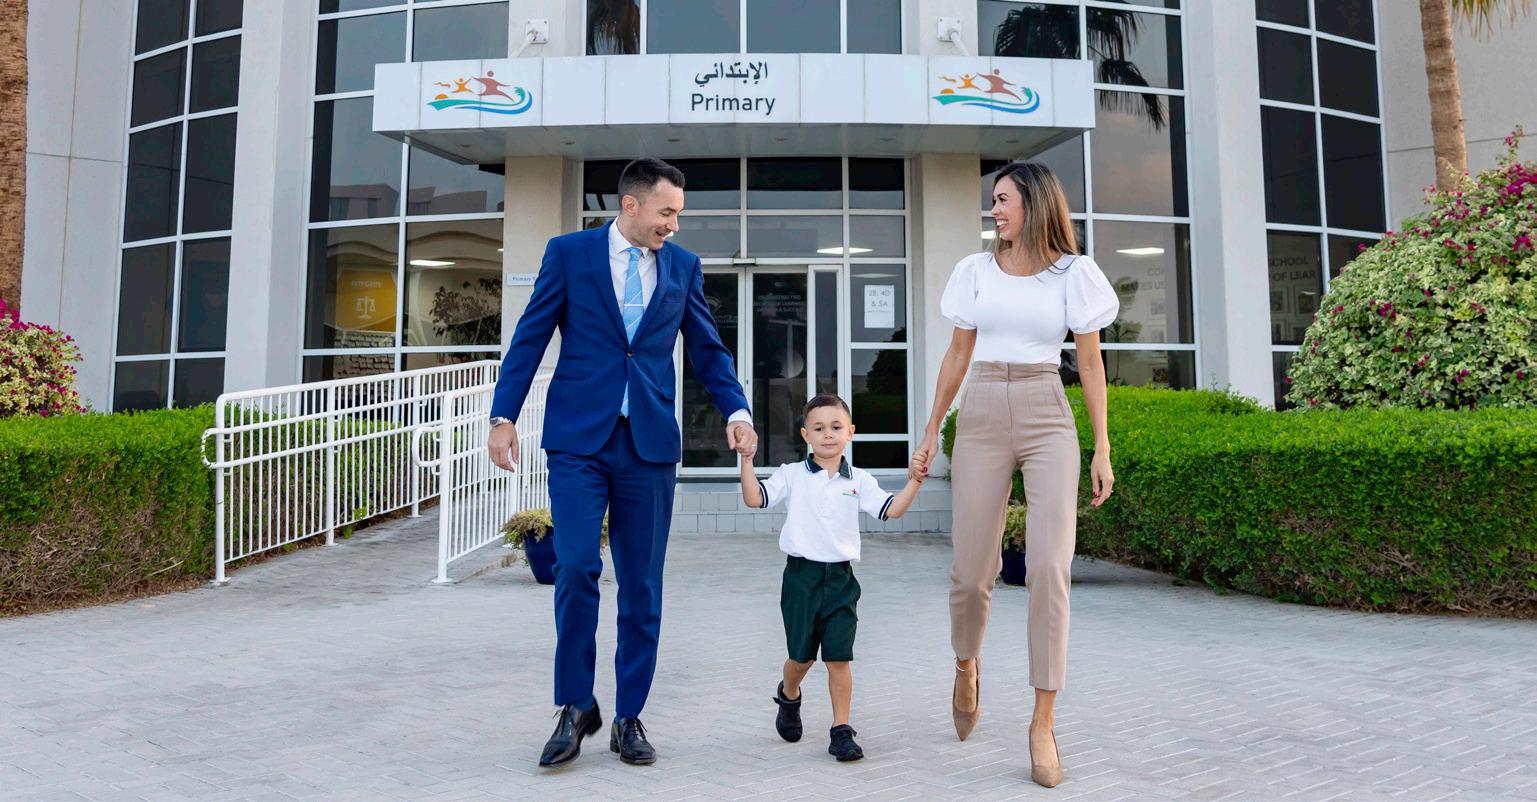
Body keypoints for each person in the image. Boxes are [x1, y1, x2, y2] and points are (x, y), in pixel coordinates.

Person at [487, 158, 757, 768]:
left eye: (678, 215)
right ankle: (575, 704)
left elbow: (708, 349)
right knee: (575, 565)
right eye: (667, 212)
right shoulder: (569, 254)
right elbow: (530, 337)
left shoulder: (682, 267)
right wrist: (504, 416)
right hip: (579, 441)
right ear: (630, 205)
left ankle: (629, 715)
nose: (674, 225)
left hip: (649, 446)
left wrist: (736, 410)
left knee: (641, 584)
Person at [909, 161, 1119, 788]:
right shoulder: (975, 272)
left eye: (1003, 200)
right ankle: (966, 663)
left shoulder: (1074, 274)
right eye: (993, 200)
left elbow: (1091, 364)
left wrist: (1102, 447)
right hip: (980, 410)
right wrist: (931, 427)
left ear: (1034, 202)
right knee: (972, 571)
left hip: (1046, 411)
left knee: (1051, 568)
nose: (994, 210)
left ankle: (1042, 723)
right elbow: (957, 353)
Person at [739, 394, 924, 762]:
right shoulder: (792, 474)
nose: (828, 434)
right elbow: (754, 499)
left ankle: (841, 729)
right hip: (801, 579)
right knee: (801, 658)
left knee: (839, 657)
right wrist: (747, 461)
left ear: (850, 432)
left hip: (841, 581)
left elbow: (891, 510)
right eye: (819, 428)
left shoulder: (859, 480)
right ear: (805, 434)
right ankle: (789, 694)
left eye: (836, 427)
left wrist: (915, 481)